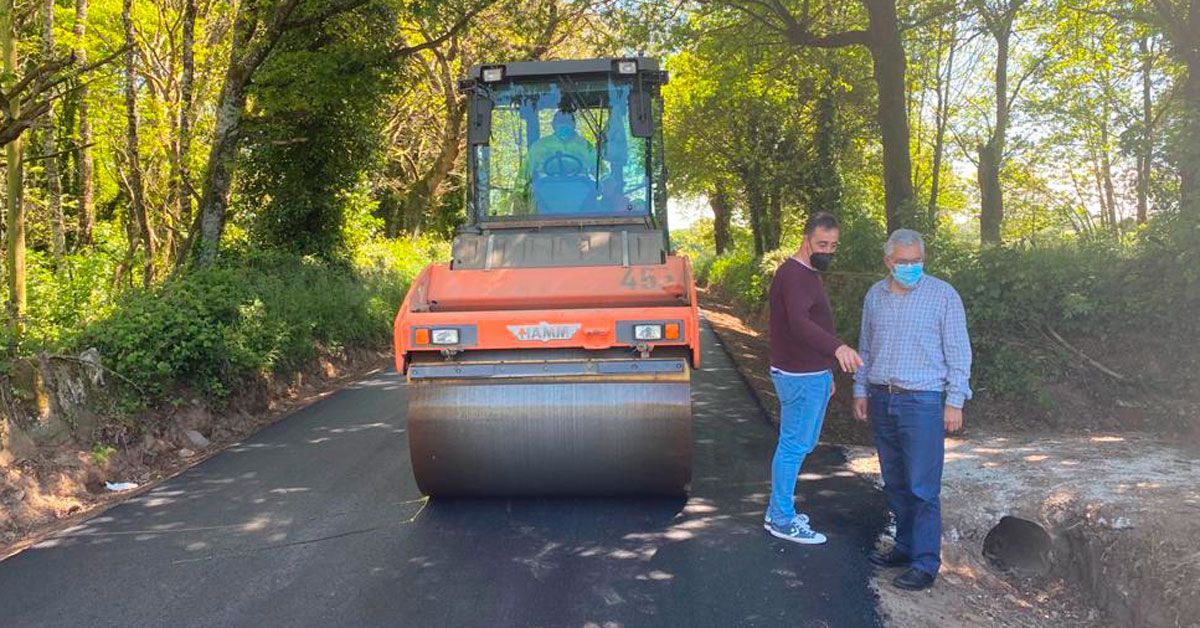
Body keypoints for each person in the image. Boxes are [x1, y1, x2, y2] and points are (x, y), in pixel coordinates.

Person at [851, 228, 973, 591]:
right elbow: (865, 348)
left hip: (923, 401)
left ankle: (925, 562)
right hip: (882, 397)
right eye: (902, 262)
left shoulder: (943, 295)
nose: (910, 267)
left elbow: (958, 350)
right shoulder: (875, 295)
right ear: (888, 261)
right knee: (896, 481)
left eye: (916, 261)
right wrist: (860, 389)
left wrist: (955, 400)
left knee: (922, 486)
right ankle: (904, 547)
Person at [765, 212, 864, 545]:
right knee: (794, 446)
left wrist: (826, 370)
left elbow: (811, 324)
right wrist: (837, 349)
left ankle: (777, 510)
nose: (828, 251)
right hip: (800, 377)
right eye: (822, 244)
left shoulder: (807, 273)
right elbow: (800, 324)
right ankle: (781, 518)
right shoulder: (793, 274)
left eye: (834, 246)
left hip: (811, 373)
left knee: (797, 444)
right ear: (806, 239)